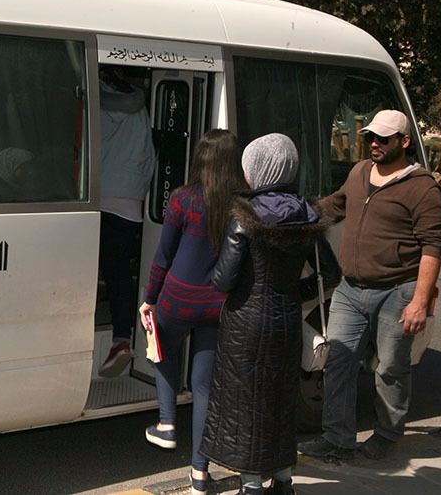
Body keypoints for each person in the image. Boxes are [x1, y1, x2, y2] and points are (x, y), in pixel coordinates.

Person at [299, 109, 441, 462]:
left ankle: (387, 436)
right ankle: (337, 439)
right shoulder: (360, 172)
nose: (374, 144)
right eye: (370, 137)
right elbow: (334, 206)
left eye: (382, 138)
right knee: (338, 362)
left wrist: (419, 302)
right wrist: (292, 213)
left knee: (391, 369)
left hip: (398, 292)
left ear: (404, 141)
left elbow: (432, 246)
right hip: (350, 290)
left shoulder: (422, 187)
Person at [200, 133, 340, 495]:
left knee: (246, 405)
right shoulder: (308, 214)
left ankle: (251, 486)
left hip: (245, 325)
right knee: (280, 401)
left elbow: (223, 280)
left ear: (258, 169)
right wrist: (292, 292)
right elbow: (331, 274)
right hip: (286, 321)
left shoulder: (244, 217)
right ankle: (283, 481)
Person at [138, 129, 247, 495]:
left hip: (178, 297)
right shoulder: (241, 204)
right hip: (217, 303)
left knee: (161, 350)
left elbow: (163, 256)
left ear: (200, 158)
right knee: (203, 386)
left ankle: (167, 423)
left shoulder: (183, 199)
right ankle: (200, 474)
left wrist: (150, 298)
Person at [97, 66, 155, 377]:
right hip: (131, 199)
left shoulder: (94, 100)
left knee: (83, 271)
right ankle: (121, 338)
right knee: (118, 271)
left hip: (99, 194)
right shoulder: (139, 105)